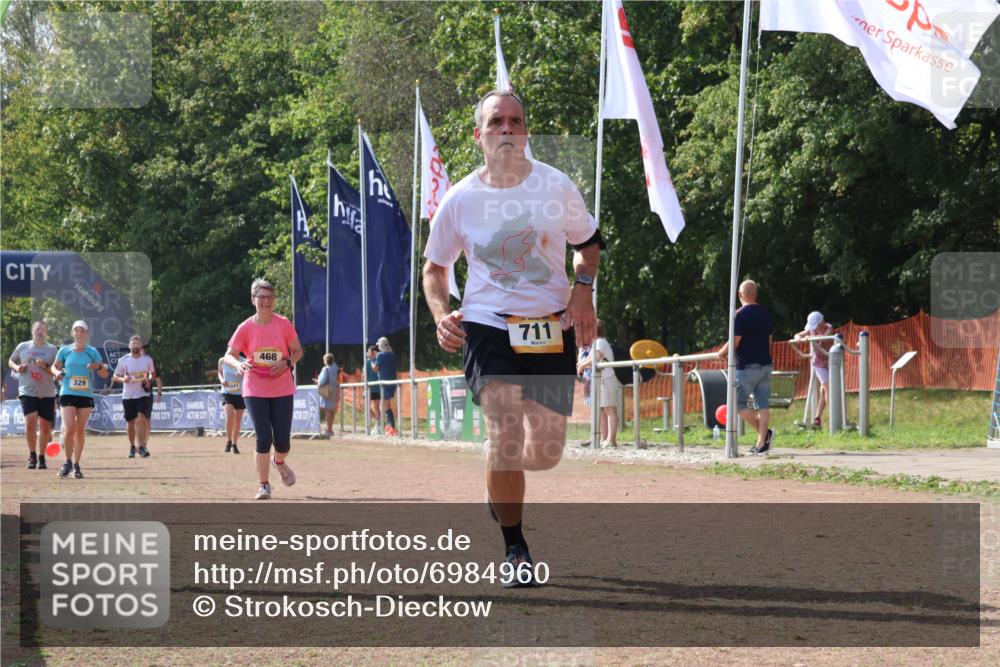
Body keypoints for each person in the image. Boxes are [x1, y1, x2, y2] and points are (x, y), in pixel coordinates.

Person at [422, 89, 600, 586]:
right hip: (488, 323)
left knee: (544, 451)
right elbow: (435, 269)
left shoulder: (556, 186)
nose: (506, 129)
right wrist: (441, 313)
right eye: (496, 121)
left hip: (549, 324)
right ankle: (515, 548)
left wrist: (582, 291)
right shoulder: (459, 199)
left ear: (526, 131)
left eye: (515, 121)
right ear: (479, 135)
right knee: (505, 433)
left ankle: (498, 490)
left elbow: (587, 245)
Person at [223, 278, 303, 500]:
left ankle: (278, 461)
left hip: (282, 388)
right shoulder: (245, 327)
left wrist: (286, 362)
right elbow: (228, 355)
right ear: (253, 300)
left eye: (269, 297)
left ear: (274, 300)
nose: (266, 301)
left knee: (283, 442)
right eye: (261, 297)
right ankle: (264, 485)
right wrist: (238, 363)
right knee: (263, 436)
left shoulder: (284, 324)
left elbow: (298, 351)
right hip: (254, 387)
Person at [717, 279, 775, 455]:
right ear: (756, 294)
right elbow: (769, 340)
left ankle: (764, 437)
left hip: (746, 367)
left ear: (740, 295)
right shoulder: (766, 313)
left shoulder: (739, 315)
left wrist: (721, 353)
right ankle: (762, 442)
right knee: (763, 405)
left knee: (737, 404)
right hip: (765, 364)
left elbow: (735, 340)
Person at [51, 320, 110, 478]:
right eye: (76, 330)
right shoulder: (64, 350)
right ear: (72, 333)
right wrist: (56, 373)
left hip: (85, 395)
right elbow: (53, 367)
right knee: (69, 428)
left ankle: (77, 465)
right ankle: (67, 462)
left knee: (79, 432)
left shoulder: (92, 352)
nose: (79, 333)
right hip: (67, 392)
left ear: (87, 334)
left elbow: (104, 375)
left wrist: (98, 367)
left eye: (82, 330)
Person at [8, 321, 59, 470]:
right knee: (30, 424)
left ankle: (42, 457)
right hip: (27, 390)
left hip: (47, 392)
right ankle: (32, 455)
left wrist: (46, 366)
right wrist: (18, 367)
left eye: (43, 329)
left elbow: (56, 370)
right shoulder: (23, 346)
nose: (40, 331)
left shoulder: (52, 350)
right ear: (32, 331)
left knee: (44, 428)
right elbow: (11, 360)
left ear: (47, 332)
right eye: (37, 329)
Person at [112, 335, 157, 458]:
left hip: (142, 394)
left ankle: (141, 446)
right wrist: (123, 379)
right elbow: (115, 376)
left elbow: (152, 374)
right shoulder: (123, 360)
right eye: (133, 343)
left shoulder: (147, 360)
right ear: (129, 346)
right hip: (128, 396)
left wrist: (149, 381)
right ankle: (132, 446)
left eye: (138, 343)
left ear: (141, 346)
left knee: (141, 418)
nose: (135, 345)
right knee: (131, 423)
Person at [794, 311, 834, 428]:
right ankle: (834, 418)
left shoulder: (828, 327)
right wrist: (799, 338)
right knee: (828, 387)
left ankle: (817, 418)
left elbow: (825, 337)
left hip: (831, 362)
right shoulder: (811, 331)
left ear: (821, 322)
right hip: (819, 363)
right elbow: (798, 334)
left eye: (815, 325)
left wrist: (809, 337)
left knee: (823, 391)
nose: (814, 328)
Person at [592, 320, 621, 447]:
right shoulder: (598, 342)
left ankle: (611, 439)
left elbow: (596, 357)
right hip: (603, 379)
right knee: (603, 409)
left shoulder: (600, 342)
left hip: (608, 379)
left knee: (609, 409)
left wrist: (581, 365)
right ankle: (605, 438)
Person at [218, 353, 245, 453]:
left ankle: (235, 444)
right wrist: (222, 380)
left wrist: (243, 374)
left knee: (238, 420)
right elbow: (219, 373)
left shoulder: (244, 361)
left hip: (240, 393)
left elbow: (249, 375)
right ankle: (228, 441)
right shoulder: (222, 360)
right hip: (227, 392)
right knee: (229, 415)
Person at [372, 337, 398, 436]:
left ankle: (391, 427)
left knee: (386, 407)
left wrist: (372, 360)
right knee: (386, 406)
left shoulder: (381, 355)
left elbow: (375, 369)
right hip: (393, 383)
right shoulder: (392, 354)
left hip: (384, 383)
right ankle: (389, 427)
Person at [317, 352, 339, 436]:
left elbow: (322, 381)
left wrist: (318, 380)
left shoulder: (325, 369)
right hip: (333, 390)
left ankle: (329, 430)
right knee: (331, 410)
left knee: (327, 411)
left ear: (326, 360)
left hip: (326, 391)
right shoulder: (335, 368)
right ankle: (330, 429)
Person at [365, 345, 381, 432]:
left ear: (374, 352)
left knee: (376, 407)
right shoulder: (367, 362)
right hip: (368, 389)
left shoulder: (379, 361)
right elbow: (364, 375)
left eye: (369, 351)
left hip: (377, 388)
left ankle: (377, 426)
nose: (367, 353)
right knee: (366, 407)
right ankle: (377, 421)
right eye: (367, 351)